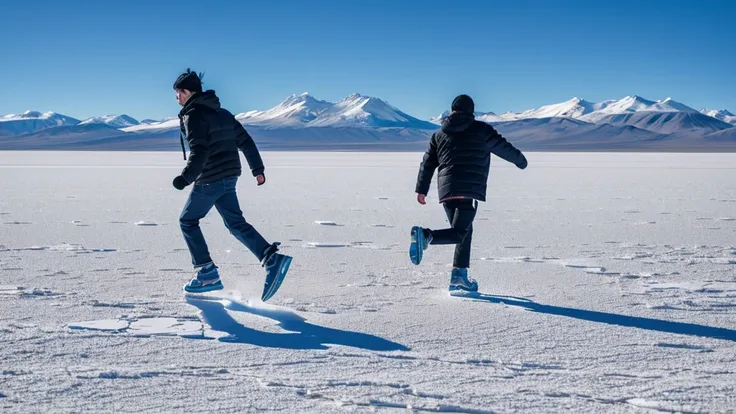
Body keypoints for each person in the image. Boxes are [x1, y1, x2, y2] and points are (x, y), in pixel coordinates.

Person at [172, 68, 291, 301]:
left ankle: (207, 273)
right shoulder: (223, 113)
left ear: (186, 92)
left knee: (187, 221)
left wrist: (185, 178)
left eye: (178, 93)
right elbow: (245, 141)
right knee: (235, 223)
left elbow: (199, 150)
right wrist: (258, 169)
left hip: (210, 179)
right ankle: (271, 258)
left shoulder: (193, 115)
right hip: (229, 177)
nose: (176, 98)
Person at [410, 94, 528, 293]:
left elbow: (428, 162)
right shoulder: (482, 130)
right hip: (468, 189)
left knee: (463, 232)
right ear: (471, 111)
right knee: (460, 233)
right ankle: (426, 236)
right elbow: (503, 148)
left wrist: (421, 190)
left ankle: (459, 277)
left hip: (447, 190)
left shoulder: (439, 134)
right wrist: (521, 161)